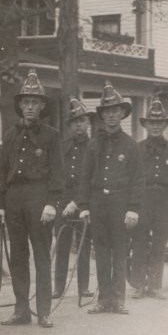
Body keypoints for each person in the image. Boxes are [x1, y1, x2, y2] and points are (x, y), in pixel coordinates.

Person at [0, 70, 62, 328]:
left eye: (35, 102)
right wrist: (0, 205)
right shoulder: (10, 136)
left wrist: (52, 203)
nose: (30, 107)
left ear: (42, 106)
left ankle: (43, 311)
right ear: (20, 105)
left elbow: (58, 173)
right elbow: (2, 172)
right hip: (14, 199)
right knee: (18, 256)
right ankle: (21, 309)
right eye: (26, 102)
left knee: (41, 255)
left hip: (39, 197)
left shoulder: (51, 136)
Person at [77, 81, 142, 315]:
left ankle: (119, 299)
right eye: (107, 111)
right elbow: (85, 177)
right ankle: (104, 299)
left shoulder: (131, 146)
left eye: (115, 111)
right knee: (102, 253)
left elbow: (137, 180)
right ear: (102, 115)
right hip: (97, 204)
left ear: (122, 113)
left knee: (120, 252)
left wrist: (133, 208)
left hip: (121, 205)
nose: (111, 115)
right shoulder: (94, 145)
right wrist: (84, 206)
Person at [130, 99, 168, 300]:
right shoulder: (136, 149)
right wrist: (132, 206)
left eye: (159, 123)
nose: (155, 126)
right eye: (151, 123)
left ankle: (155, 286)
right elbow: (131, 179)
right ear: (145, 125)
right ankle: (138, 285)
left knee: (159, 244)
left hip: (165, 201)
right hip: (143, 200)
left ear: (164, 125)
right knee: (139, 242)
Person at [54, 98, 95, 299]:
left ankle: (83, 287)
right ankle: (58, 287)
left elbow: (91, 179)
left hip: (84, 202)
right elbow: (56, 174)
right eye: (74, 122)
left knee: (83, 246)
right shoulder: (63, 146)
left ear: (88, 123)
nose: (79, 125)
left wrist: (77, 203)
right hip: (63, 201)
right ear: (69, 126)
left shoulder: (94, 147)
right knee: (62, 244)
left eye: (82, 120)